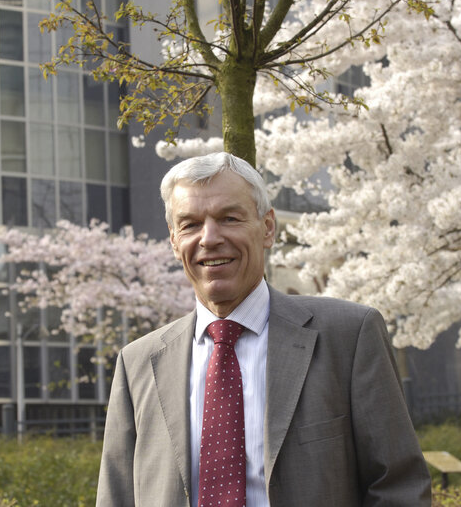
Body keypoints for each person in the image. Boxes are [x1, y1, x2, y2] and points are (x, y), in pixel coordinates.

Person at [96, 152, 431, 506]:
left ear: (268, 228)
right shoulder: (139, 363)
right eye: (190, 224)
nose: (209, 238)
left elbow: (398, 487)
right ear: (174, 240)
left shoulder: (349, 336)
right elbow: (117, 496)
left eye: (229, 218)